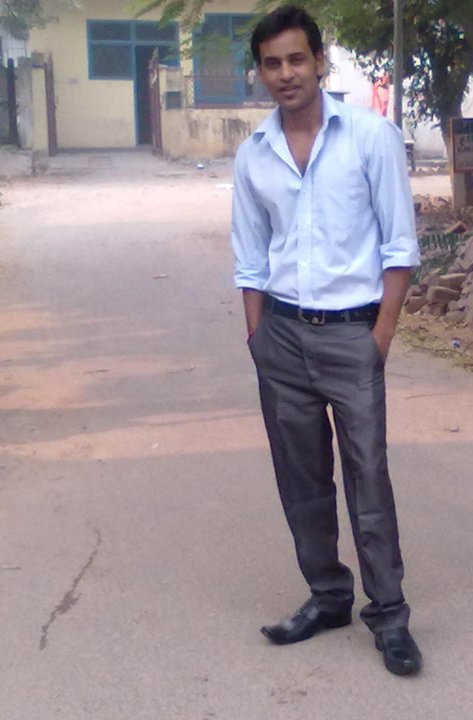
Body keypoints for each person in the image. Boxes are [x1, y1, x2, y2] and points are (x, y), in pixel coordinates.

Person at [231, 5, 422, 676]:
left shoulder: (370, 137)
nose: (286, 73)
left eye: (296, 59)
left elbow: (399, 248)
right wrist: (257, 337)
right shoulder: (253, 155)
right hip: (281, 337)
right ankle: (328, 595)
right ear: (260, 73)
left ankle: (389, 615)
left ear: (319, 62)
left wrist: (379, 338)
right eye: (272, 63)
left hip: (352, 334)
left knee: (368, 478)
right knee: (301, 479)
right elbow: (251, 258)